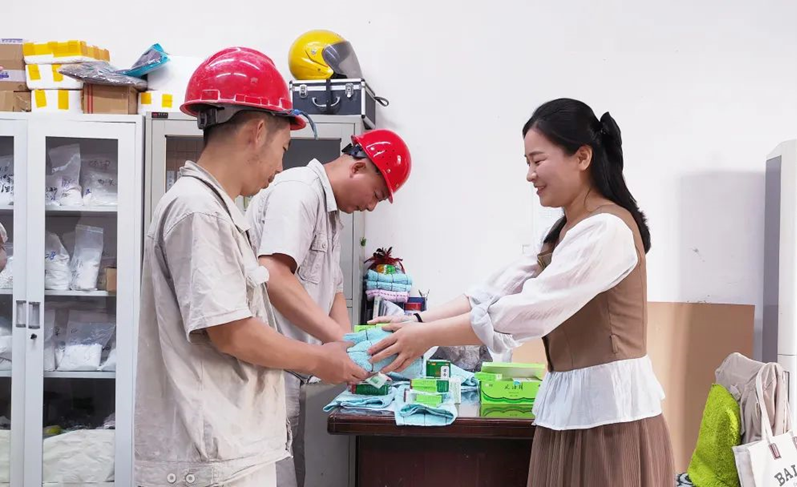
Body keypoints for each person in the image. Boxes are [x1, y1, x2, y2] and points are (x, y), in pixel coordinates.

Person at [368, 98, 675, 486]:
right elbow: (492, 292)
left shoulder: (606, 230)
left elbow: (527, 311)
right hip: (572, 408)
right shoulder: (565, 231)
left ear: (582, 157)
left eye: (538, 160)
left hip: (610, 417)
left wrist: (425, 336)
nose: (530, 175)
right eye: (527, 162)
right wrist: (417, 321)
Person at [134, 47, 368, 487]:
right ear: (258, 132)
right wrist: (321, 358)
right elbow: (232, 332)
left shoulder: (219, 209)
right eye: (283, 148)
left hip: (230, 445)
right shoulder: (197, 209)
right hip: (211, 455)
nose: (280, 166)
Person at [244, 128, 411, 487]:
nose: (371, 206)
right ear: (358, 167)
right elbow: (274, 275)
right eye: (376, 195)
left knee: (291, 474)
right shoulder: (299, 191)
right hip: (266, 371)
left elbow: (334, 290)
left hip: (292, 371)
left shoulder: (330, 213)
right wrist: (342, 342)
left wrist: (353, 350)